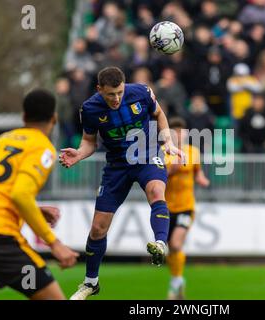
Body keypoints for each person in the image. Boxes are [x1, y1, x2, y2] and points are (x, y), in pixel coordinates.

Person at [60, 67, 184, 300]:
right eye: (110, 95)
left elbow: (159, 114)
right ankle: (90, 283)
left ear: (124, 86)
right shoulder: (90, 109)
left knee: (157, 191)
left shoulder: (141, 93)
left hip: (147, 155)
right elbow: (89, 142)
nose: (116, 98)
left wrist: (167, 140)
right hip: (117, 165)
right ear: (99, 90)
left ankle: (160, 243)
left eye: (119, 92)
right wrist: (78, 154)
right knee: (98, 228)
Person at [0, 89, 79, 300]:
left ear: (23, 116)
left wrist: (35, 210)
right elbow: (20, 194)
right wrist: (54, 243)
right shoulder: (42, 147)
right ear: (54, 118)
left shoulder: (1, 140)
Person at [164, 117, 210, 300]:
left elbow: (197, 170)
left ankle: (175, 282)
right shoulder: (163, 153)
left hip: (185, 206)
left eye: (181, 132)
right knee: (170, 249)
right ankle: (177, 279)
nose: (178, 135)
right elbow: (159, 176)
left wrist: (201, 178)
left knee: (176, 243)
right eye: (174, 132)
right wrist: (172, 168)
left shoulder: (193, 152)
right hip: (166, 208)